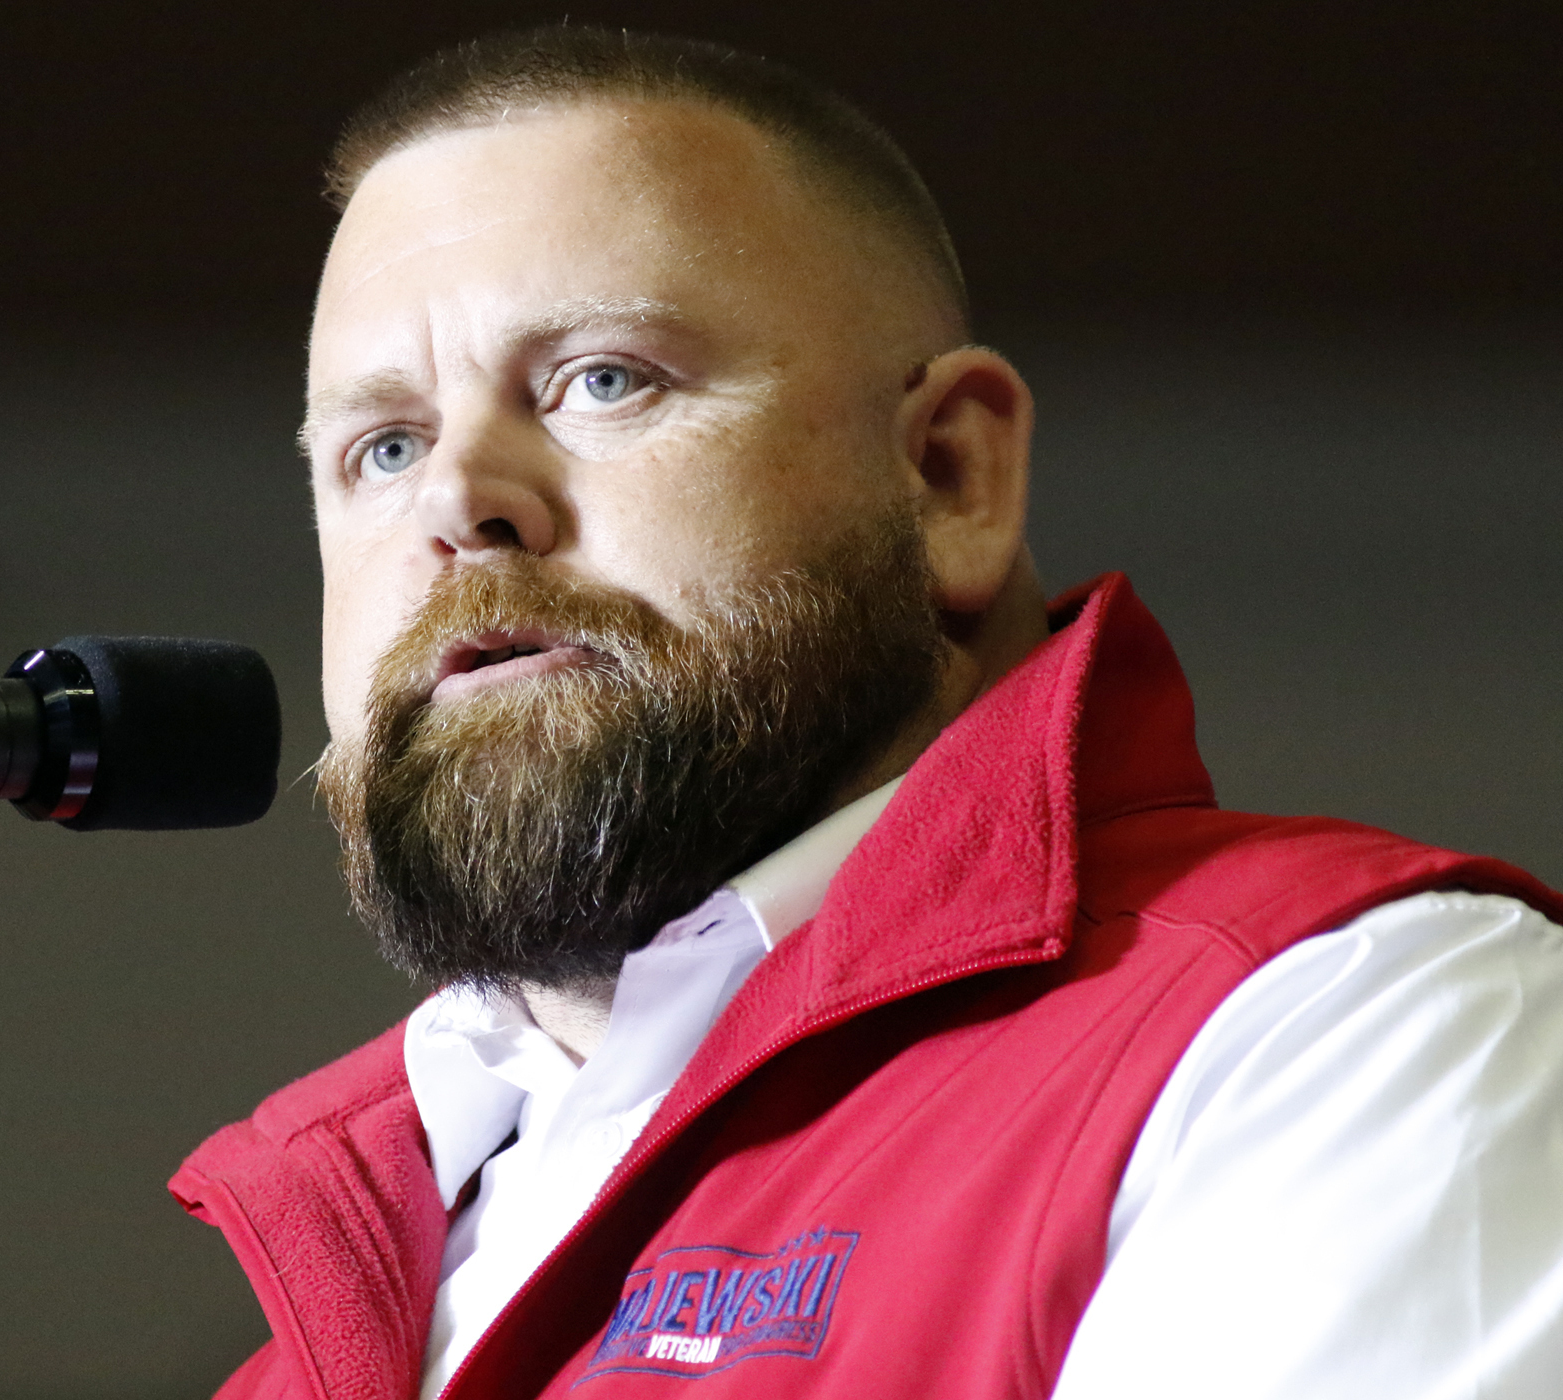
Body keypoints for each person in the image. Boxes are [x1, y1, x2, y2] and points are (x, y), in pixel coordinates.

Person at [170, 26, 1563, 1400]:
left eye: (604, 379)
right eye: (383, 446)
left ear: (948, 477)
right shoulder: (322, 1304)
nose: (457, 499)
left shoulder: (1345, 1033)